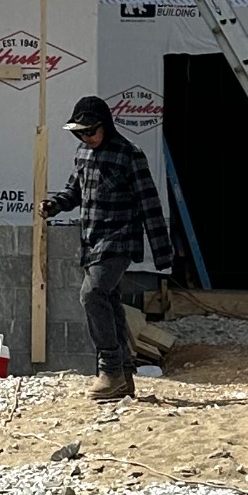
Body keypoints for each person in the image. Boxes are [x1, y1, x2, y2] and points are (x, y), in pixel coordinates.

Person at [39, 94, 175, 401]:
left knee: (92, 294)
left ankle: (109, 370)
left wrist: (163, 253)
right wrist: (55, 205)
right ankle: (124, 379)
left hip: (120, 241)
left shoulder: (130, 155)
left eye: (90, 131)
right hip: (92, 242)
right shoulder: (83, 154)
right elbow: (73, 191)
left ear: (106, 126)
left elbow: (149, 204)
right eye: (80, 133)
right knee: (109, 302)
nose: (86, 137)